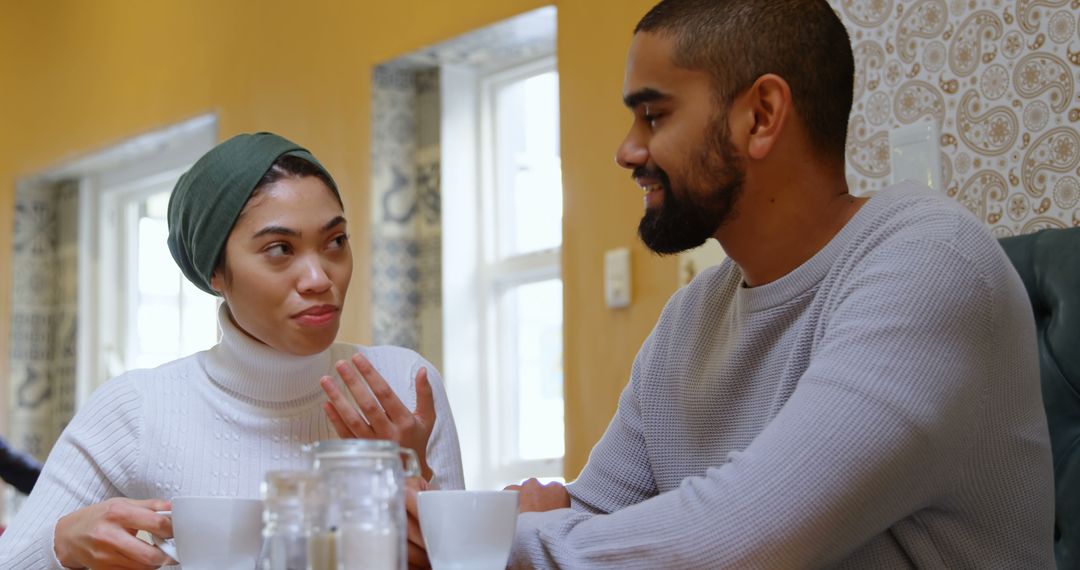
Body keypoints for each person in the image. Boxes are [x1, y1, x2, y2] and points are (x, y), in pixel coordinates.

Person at [413, 0, 1058, 567]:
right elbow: (595, 519)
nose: (627, 151)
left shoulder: (929, 262)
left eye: (654, 115)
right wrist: (533, 529)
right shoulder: (691, 316)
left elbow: (736, 539)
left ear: (762, 115)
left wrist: (487, 544)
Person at [0, 132, 465, 570]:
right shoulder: (137, 410)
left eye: (335, 242)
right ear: (216, 274)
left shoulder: (403, 384)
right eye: (280, 249)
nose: (320, 278)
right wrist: (60, 545)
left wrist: (411, 480)